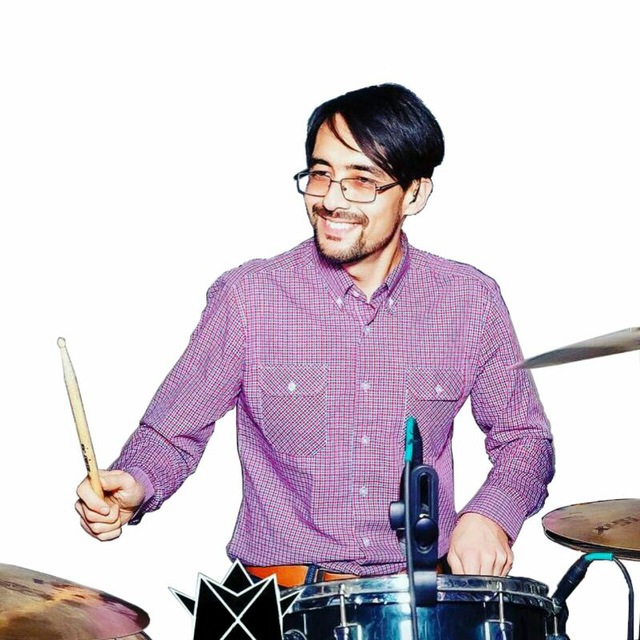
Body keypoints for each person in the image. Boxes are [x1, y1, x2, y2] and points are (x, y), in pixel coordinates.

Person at [76, 83, 554, 583]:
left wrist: (490, 516)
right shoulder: (248, 298)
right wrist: (134, 484)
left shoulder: (471, 301)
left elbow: (525, 439)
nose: (330, 200)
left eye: (361, 180)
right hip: (279, 600)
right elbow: (170, 434)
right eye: (321, 174)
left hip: (420, 598)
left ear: (414, 194)